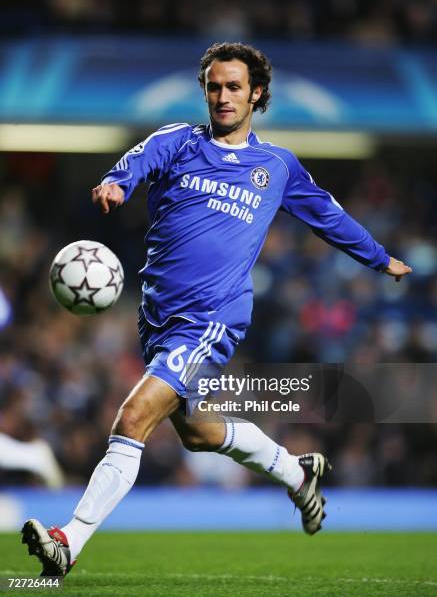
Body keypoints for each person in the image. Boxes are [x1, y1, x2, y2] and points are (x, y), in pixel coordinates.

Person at [21, 42, 412, 576]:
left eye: (234, 87)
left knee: (133, 417)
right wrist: (116, 183)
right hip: (159, 315)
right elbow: (135, 165)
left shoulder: (276, 166)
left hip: (212, 317)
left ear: (257, 94)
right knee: (197, 431)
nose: (223, 97)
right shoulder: (179, 142)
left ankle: (69, 540)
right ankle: (295, 473)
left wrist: (379, 258)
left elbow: (329, 217)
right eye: (214, 86)